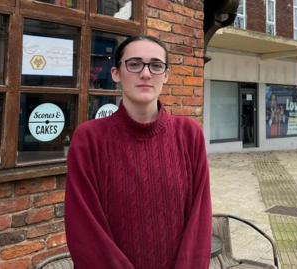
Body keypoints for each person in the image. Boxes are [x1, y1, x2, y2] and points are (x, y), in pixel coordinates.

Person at [65, 35, 212, 269]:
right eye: (134, 64)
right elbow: (84, 229)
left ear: (166, 75)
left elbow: (200, 221)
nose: (145, 74)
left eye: (156, 65)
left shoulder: (189, 135)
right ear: (116, 73)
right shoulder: (89, 139)